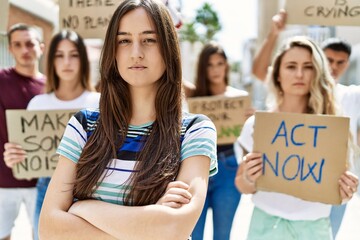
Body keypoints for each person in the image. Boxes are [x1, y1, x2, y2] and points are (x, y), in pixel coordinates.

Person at [39, 0, 217, 239]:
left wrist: (82, 207)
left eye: (149, 39)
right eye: (124, 40)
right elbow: (49, 229)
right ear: (113, 51)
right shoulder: (84, 125)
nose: (136, 53)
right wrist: (149, 222)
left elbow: (174, 228)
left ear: (168, 48)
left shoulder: (195, 130)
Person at [235, 36, 359, 239]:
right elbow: (242, 185)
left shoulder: (331, 128)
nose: (299, 74)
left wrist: (345, 192)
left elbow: (337, 193)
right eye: (291, 66)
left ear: (317, 72)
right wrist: (249, 176)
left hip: (314, 230)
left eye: (308, 67)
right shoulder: (258, 125)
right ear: (277, 75)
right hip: (265, 227)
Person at [3, 30, 101, 240]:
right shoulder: (38, 104)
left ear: (83, 59)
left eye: (73, 54)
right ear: (51, 60)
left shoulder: (99, 102)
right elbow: (29, 166)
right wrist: (16, 158)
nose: (67, 62)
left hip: (93, 190)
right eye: (59, 55)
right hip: (47, 189)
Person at [188, 42, 248, 240]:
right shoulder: (193, 95)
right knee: (192, 235)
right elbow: (172, 72)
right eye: (210, 65)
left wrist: (250, 121)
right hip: (197, 166)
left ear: (226, 66)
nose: (215, 69)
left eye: (219, 63)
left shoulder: (239, 99)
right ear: (203, 68)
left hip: (228, 166)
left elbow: (249, 141)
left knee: (222, 236)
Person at [0, 23, 45, 240]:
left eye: (30, 43)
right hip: (3, 179)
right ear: (10, 49)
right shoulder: (0, 80)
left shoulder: (53, 87)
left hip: (42, 180)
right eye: (17, 45)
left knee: (43, 235)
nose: (24, 50)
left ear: (41, 47)